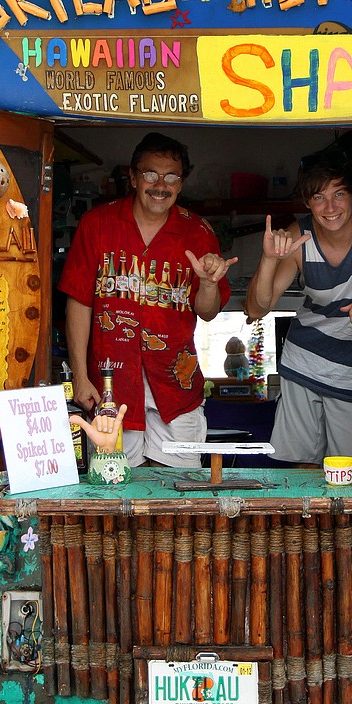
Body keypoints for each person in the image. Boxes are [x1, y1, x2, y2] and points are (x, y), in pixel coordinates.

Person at [58, 131, 237, 466]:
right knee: (114, 485)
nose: (160, 185)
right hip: (111, 387)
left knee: (179, 489)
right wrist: (80, 376)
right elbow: (79, 302)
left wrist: (208, 284)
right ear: (133, 177)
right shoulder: (97, 224)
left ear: (181, 184)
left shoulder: (198, 233)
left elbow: (208, 312)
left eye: (171, 177)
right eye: (151, 174)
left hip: (176, 387)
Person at [245, 146, 352, 465]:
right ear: (307, 202)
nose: (330, 207)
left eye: (339, 194)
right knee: (302, 468)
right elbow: (256, 308)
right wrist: (268, 259)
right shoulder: (299, 237)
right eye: (319, 197)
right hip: (304, 365)